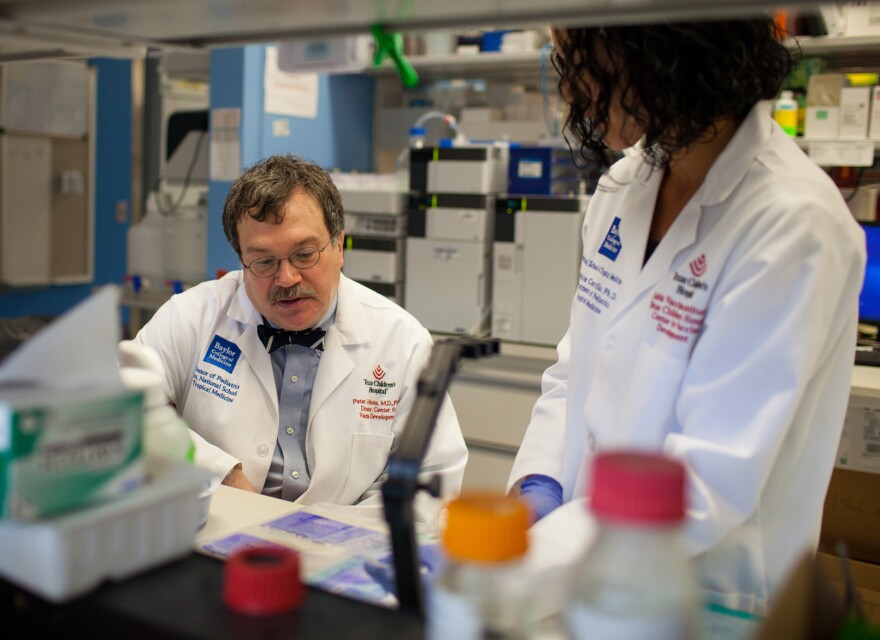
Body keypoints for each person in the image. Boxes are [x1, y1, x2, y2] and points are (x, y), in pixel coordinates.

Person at [508, 17, 866, 615]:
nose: (571, 92)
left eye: (583, 63)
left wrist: (520, 565)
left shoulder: (792, 224)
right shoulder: (625, 185)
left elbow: (704, 483)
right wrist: (540, 482)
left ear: (665, 50)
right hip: (586, 576)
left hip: (707, 602)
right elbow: (578, 370)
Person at [131, 153, 467, 526]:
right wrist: (220, 473)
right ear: (241, 261)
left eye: (304, 254)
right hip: (213, 534)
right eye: (263, 261)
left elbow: (431, 480)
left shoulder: (401, 342)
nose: (287, 278)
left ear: (339, 246)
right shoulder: (191, 317)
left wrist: (327, 539)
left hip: (347, 558)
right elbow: (126, 412)